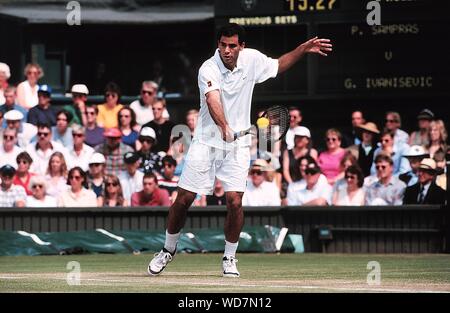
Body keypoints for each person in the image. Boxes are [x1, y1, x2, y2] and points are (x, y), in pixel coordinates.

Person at [148, 23, 332, 277]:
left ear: (241, 46)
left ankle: (229, 257)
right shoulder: (208, 68)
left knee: (234, 201)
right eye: (222, 45)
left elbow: (278, 66)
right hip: (205, 142)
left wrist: (302, 49)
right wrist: (223, 126)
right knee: (184, 200)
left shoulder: (252, 59)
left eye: (232, 45)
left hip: (238, 145)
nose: (226, 50)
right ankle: (168, 250)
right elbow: (213, 100)